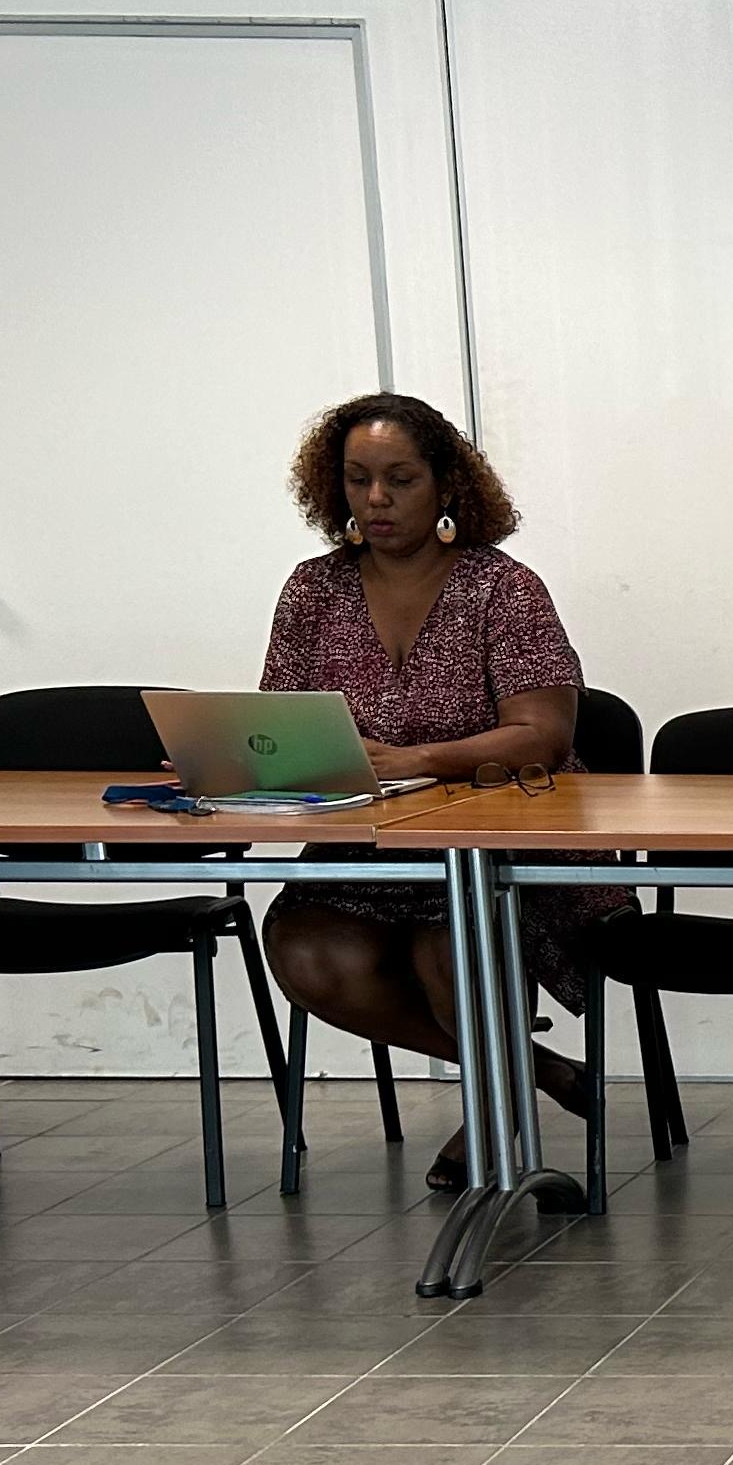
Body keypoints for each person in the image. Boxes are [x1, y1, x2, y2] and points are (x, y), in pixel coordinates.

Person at [256, 392, 624, 1193]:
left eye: (400, 479)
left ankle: (497, 1106)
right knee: (306, 949)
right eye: (357, 479)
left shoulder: (502, 587)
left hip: (505, 849)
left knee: (453, 948)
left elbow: (542, 735)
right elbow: (282, 722)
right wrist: (244, 759)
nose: (376, 499)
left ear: (447, 483)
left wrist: (414, 759)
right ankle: (537, 1074)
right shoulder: (313, 591)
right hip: (366, 849)